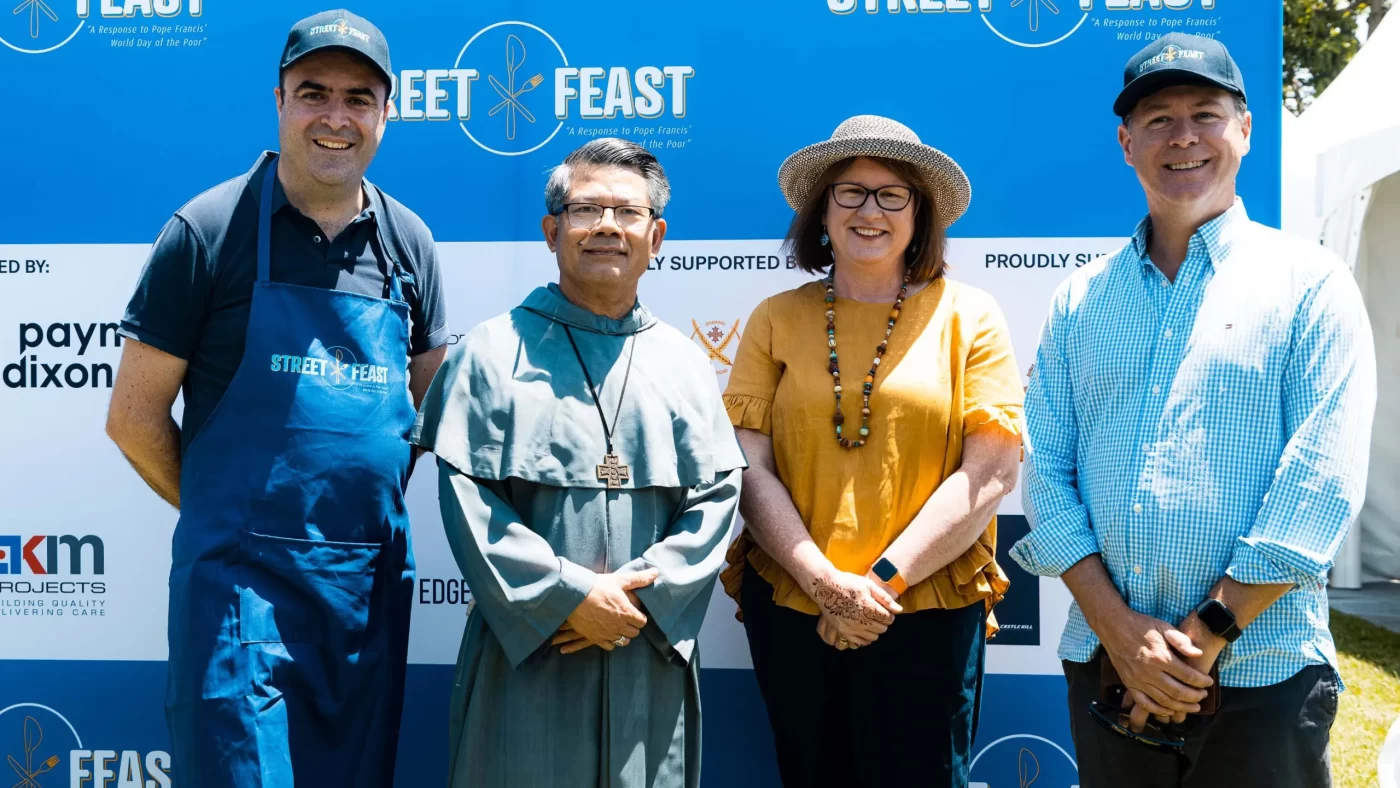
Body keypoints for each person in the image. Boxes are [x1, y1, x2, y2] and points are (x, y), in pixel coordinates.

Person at [1010, 33, 1377, 788]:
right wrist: (1120, 632)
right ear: (1126, 143)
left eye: (1205, 113)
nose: (1183, 137)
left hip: (1264, 676)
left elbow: (1321, 482)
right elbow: (1044, 473)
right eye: (1158, 119)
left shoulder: (1311, 283)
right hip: (1109, 672)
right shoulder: (1080, 300)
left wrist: (1202, 636)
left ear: (1245, 129)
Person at [104, 10, 447, 785]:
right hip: (238, 593)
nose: (336, 117)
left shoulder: (410, 243)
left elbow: (431, 417)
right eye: (313, 92)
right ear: (280, 100)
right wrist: (227, 517)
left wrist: (345, 517)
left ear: (386, 112)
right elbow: (131, 418)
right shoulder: (208, 229)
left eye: (359, 98)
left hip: (364, 594)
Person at [411, 138, 745, 787]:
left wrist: (634, 603)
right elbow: (470, 503)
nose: (607, 227)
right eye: (587, 209)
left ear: (658, 236)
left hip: (645, 653)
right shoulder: (488, 353)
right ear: (551, 229)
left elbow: (715, 501)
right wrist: (569, 597)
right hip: (529, 654)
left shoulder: (684, 364)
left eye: (628, 212)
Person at [720, 115, 1025, 786]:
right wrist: (824, 583)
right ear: (822, 209)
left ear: (921, 214)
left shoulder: (970, 314)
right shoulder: (776, 317)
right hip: (797, 605)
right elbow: (748, 467)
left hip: (925, 608)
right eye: (850, 191)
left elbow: (990, 473)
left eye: (893, 194)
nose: (869, 210)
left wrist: (876, 587)